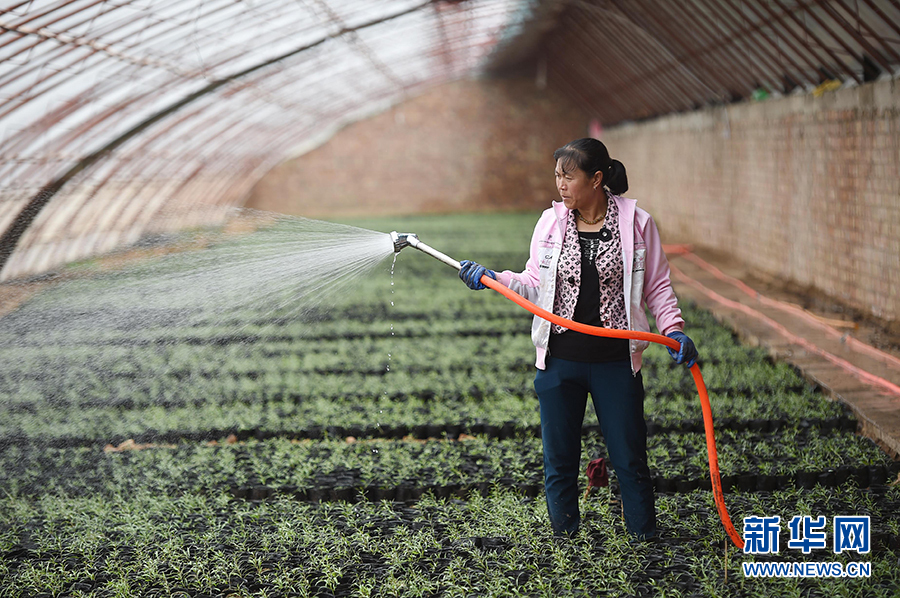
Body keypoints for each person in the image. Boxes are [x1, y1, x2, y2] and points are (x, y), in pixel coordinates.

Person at [457, 138, 697, 541]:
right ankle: (565, 543)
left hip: (616, 363)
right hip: (559, 360)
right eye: (557, 177)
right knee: (560, 460)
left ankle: (644, 539)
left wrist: (673, 329)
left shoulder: (638, 224)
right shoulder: (550, 224)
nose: (561, 186)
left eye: (568, 177)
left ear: (597, 178)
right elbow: (533, 282)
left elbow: (656, 286)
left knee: (629, 458)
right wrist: (493, 278)